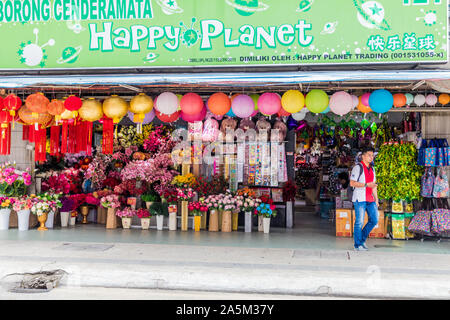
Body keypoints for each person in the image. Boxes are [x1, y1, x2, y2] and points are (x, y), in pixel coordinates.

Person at [350, 146, 379, 251]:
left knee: (374, 219)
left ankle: (361, 240)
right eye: (369, 155)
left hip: (370, 199)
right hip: (360, 199)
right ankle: (357, 245)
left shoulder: (372, 169)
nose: (371, 157)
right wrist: (366, 185)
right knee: (359, 222)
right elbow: (352, 183)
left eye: (372, 156)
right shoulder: (358, 168)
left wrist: (376, 199)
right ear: (363, 156)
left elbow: (374, 186)